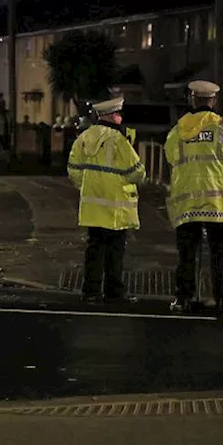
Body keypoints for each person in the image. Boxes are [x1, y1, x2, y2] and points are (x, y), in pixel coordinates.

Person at [165, 80, 223, 314]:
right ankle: (222, 299)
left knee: (187, 253)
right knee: (220, 253)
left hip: (188, 203)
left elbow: (170, 156)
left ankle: (183, 299)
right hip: (218, 204)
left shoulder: (179, 130)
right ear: (214, 100)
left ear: (192, 99)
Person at [68, 96, 145, 303]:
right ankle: (114, 291)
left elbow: (73, 171)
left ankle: (91, 292)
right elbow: (137, 172)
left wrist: (87, 187)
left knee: (94, 248)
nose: (120, 117)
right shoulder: (118, 140)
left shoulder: (83, 138)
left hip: (92, 205)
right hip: (116, 205)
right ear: (111, 115)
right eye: (118, 114)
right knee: (115, 249)